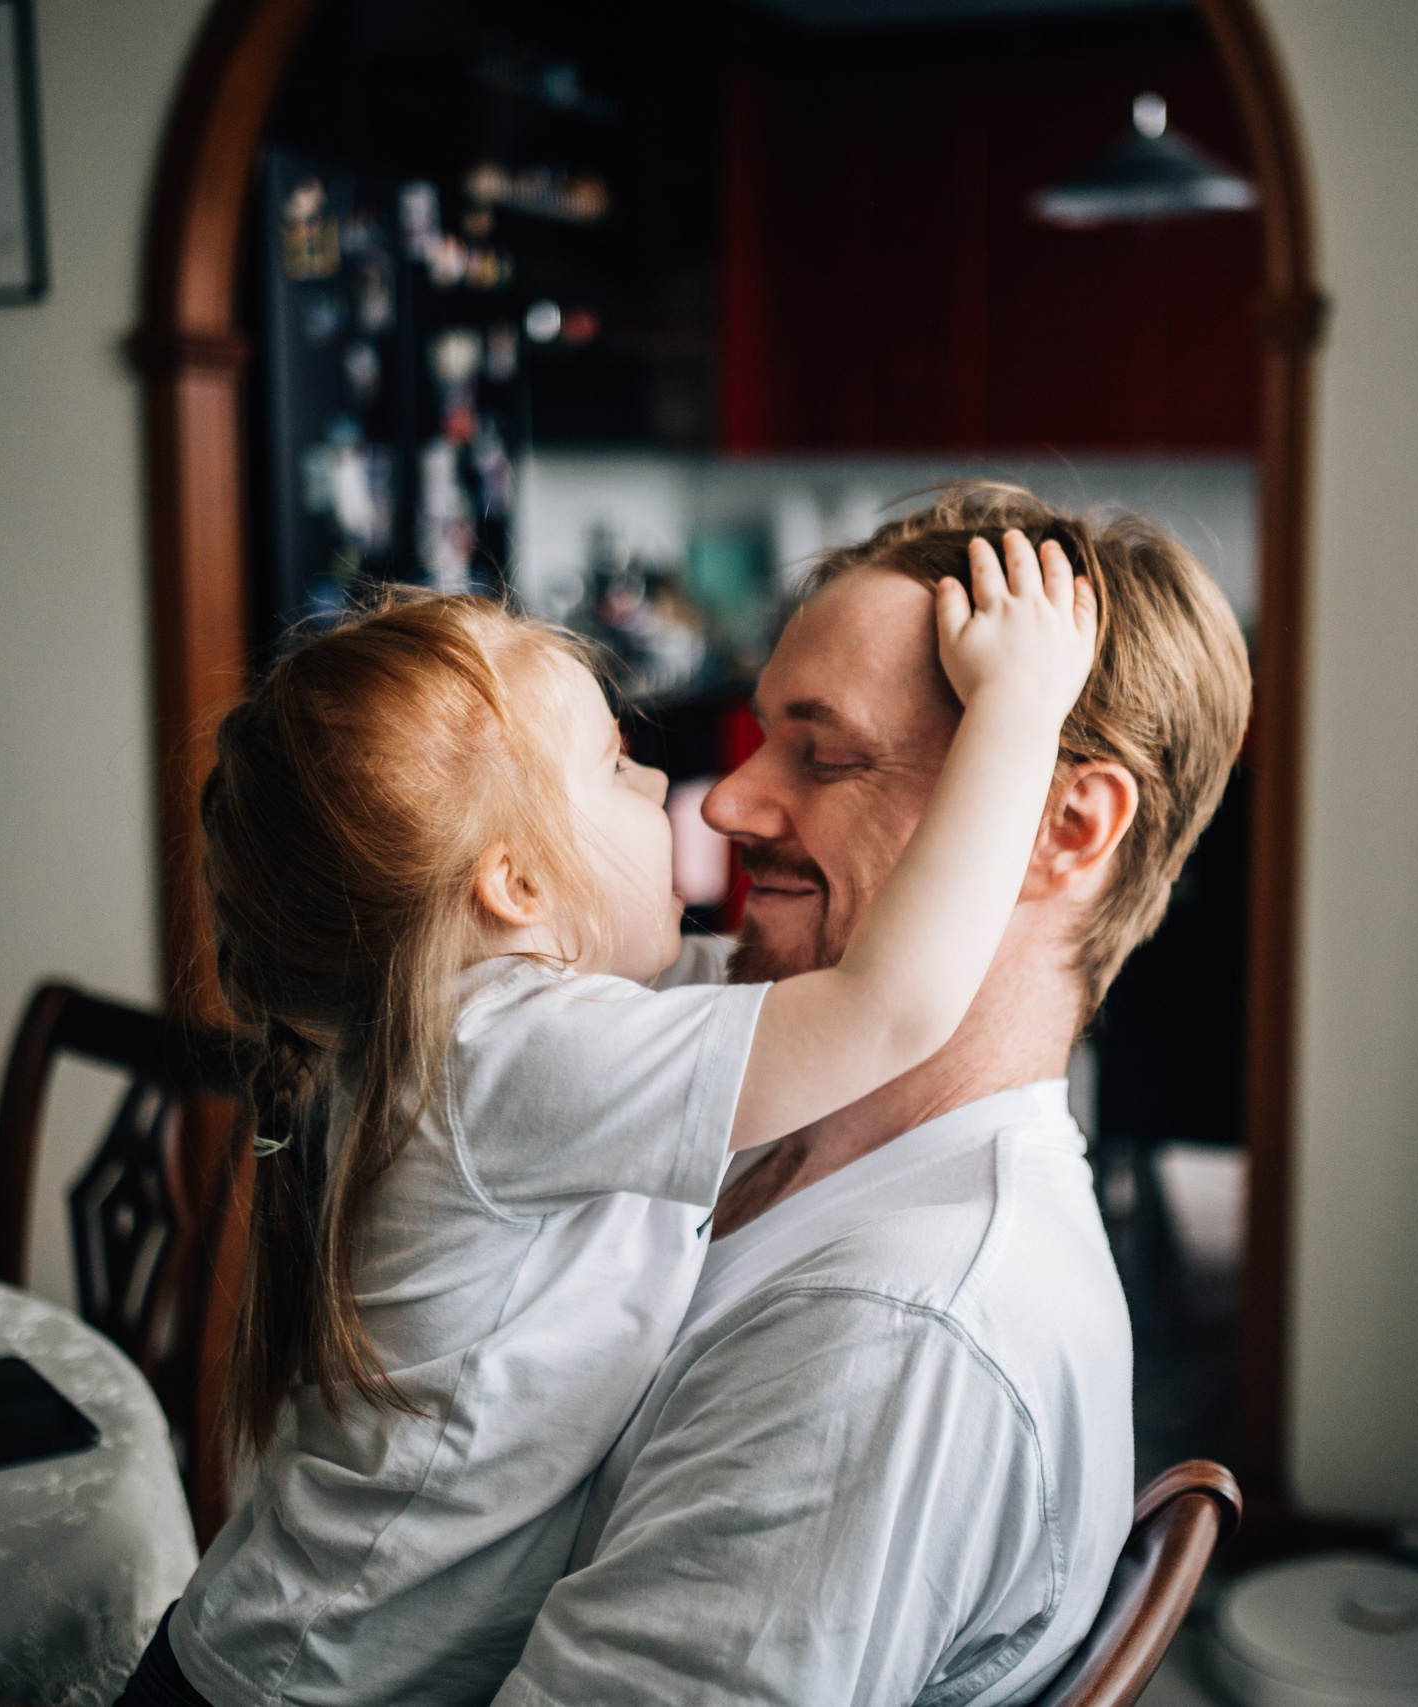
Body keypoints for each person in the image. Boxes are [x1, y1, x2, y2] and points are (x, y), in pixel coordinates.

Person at [124, 531, 1097, 1707]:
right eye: (618, 766)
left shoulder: (494, 1027)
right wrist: (1018, 714)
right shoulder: (510, 1053)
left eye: (822, 755)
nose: (697, 794)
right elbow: (883, 1007)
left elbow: (807, 995)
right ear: (518, 889)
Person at [493, 484, 1252, 1705]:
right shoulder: (735, 1053)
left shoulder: (895, 1338)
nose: (729, 804)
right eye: (757, 740)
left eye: (825, 754)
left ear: (1063, 824)